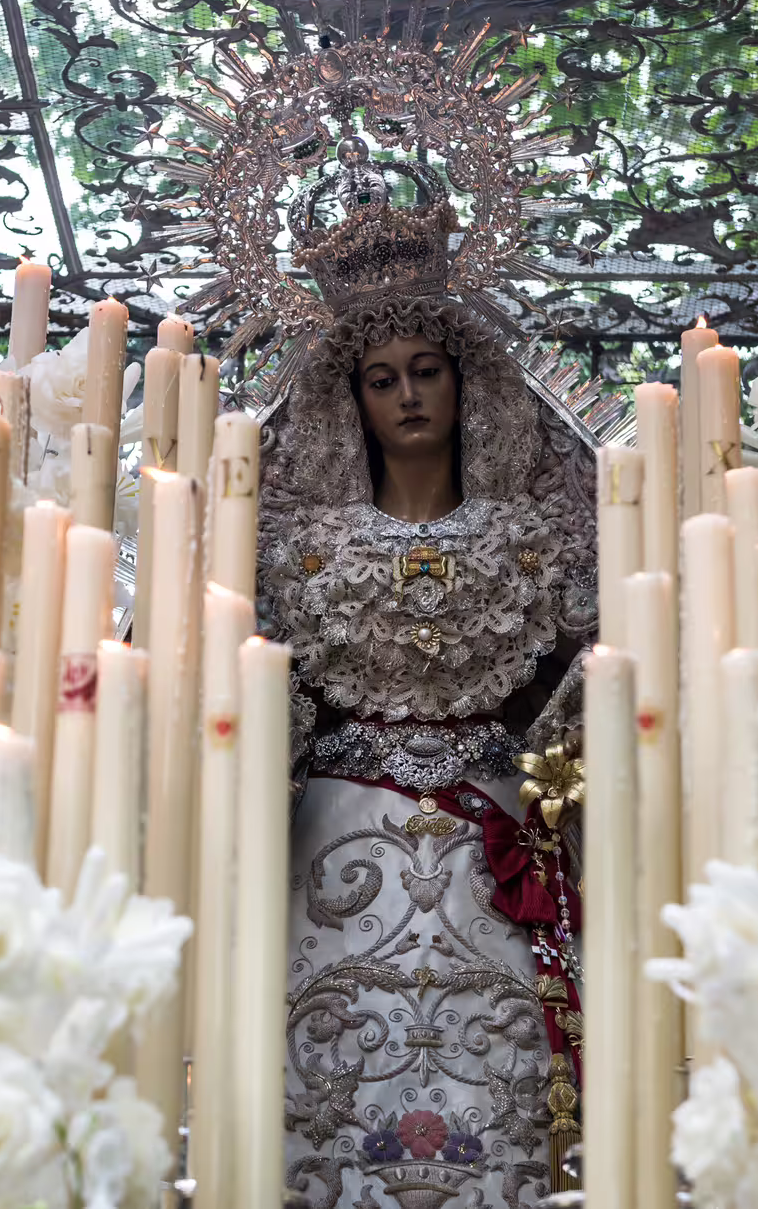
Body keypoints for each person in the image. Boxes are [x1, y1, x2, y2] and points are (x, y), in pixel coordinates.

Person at [256, 165, 599, 1206]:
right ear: (348, 398)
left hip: (491, 840)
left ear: (465, 381)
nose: (408, 394)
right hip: (334, 845)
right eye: (381, 377)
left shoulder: (540, 534)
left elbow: (607, 666)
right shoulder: (295, 544)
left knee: (499, 1077)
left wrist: (559, 765)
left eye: (428, 369)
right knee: (325, 1071)